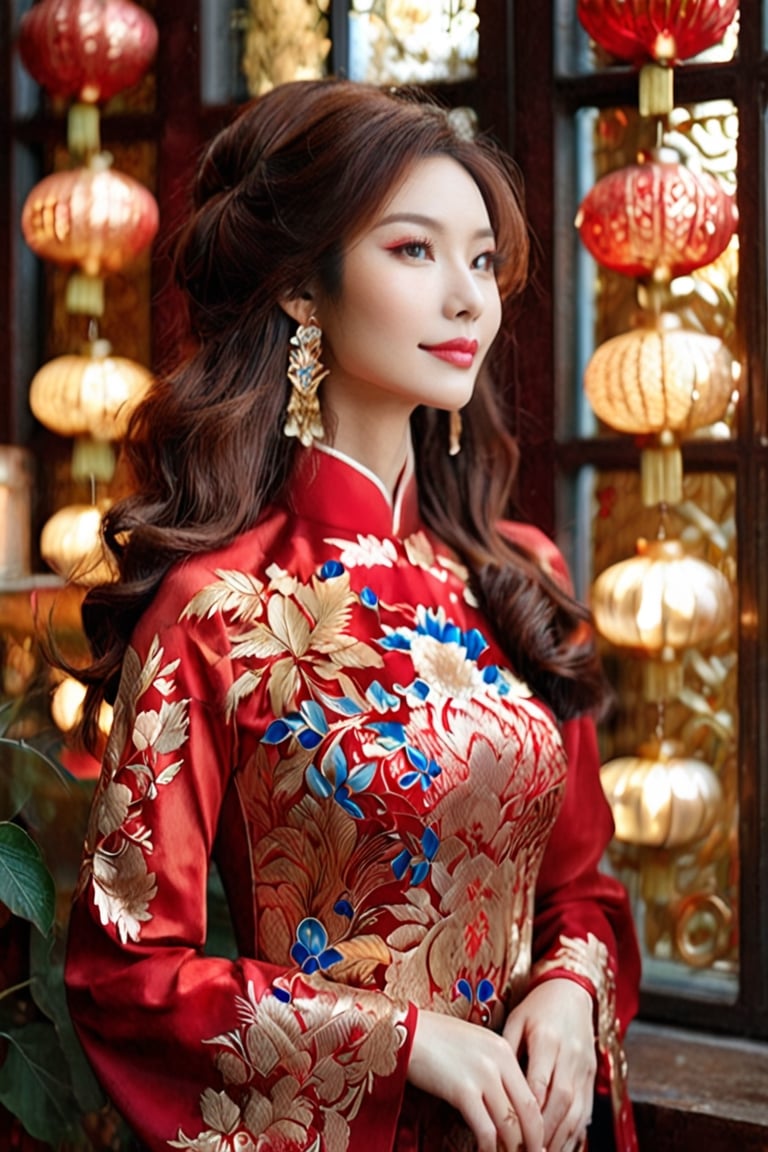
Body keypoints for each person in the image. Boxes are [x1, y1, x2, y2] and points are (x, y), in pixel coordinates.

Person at [64, 78, 641, 1152]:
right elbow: (125, 973)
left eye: (483, 260)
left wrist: (569, 987)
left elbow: (583, 892)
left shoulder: (516, 576)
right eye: (415, 250)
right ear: (302, 287)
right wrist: (405, 1040)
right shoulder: (219, 612)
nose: (468, 298)